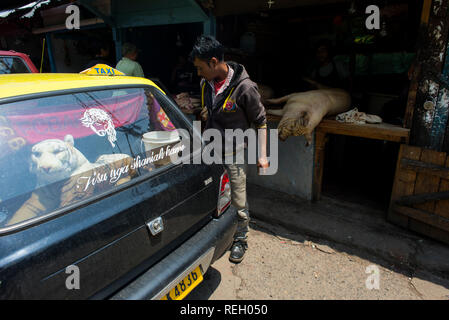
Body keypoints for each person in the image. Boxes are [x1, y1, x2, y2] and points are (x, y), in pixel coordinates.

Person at [189, 35, 269, 264]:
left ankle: (240, 239)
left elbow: (261, 121)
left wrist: (263, 155)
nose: (198, 73)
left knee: (237, 197)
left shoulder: (245, 88)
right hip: (210, 150)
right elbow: (208, 111)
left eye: (200, 67)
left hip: (234, 152)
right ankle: (219, 234)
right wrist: (206, 115)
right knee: (213, 194)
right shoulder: (206, 83)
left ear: (213, 62)